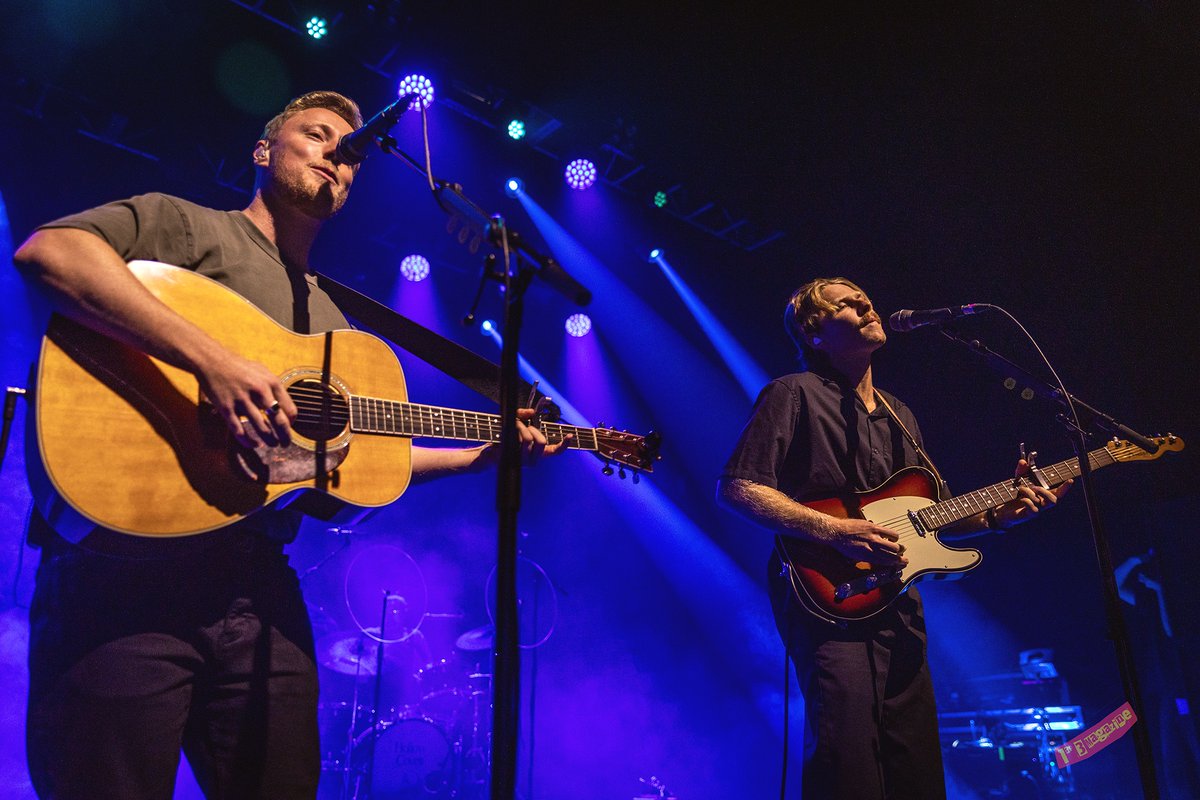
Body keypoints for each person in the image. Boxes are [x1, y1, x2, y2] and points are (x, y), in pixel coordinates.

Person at [13, 90, 566, 799]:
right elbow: (51, 253)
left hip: (253, 594)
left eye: (350, 152)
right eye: (315, 134)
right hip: (121, 575)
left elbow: (355, 462)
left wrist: (478, 458)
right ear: (263, 150)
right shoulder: (185, 226)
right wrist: (213, 362)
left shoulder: (335, 323)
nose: (337, 153)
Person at [716, 277, 1071, 799]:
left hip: (899, 603)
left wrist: (1002, 517)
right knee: (848, 755)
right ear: (815, 334)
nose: (865, 303)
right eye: (845, 303)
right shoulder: (791, 394)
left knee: (916, 762)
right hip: (827, 597)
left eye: (865, 297)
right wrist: (834, 530)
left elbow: (937, 516)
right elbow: (738, 487)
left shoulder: (899, 415)